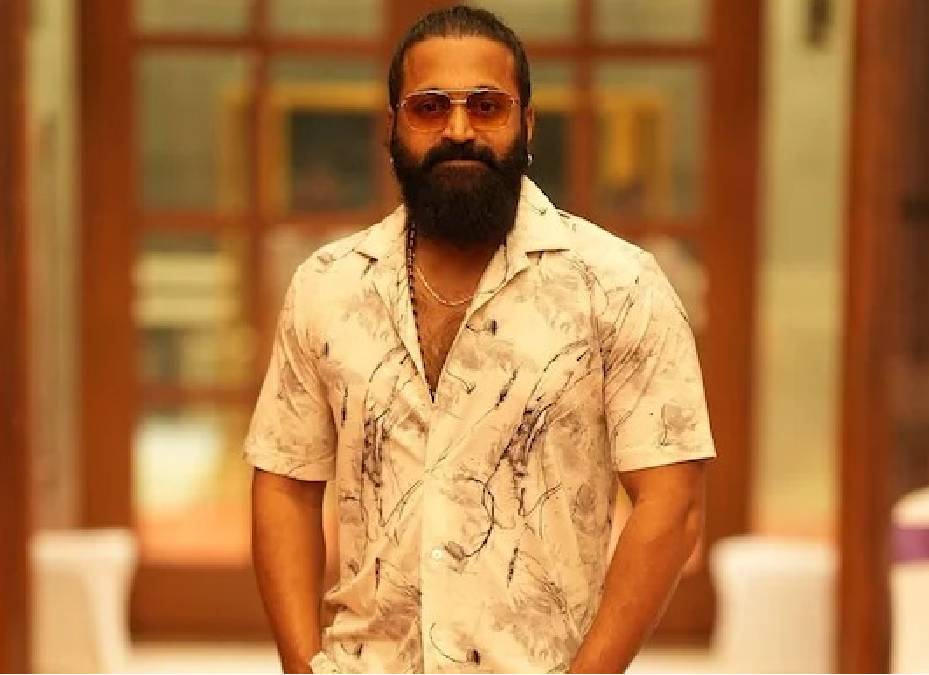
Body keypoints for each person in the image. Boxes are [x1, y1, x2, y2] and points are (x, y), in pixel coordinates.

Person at [245, 5, 715, 673]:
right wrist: (302, 665)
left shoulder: (618, 284)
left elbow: (671, 502)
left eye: (487, 106)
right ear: (392, 126)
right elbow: (285, 485)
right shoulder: (328, 285)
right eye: (430, 107)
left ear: (528, 123)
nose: (459, 129)